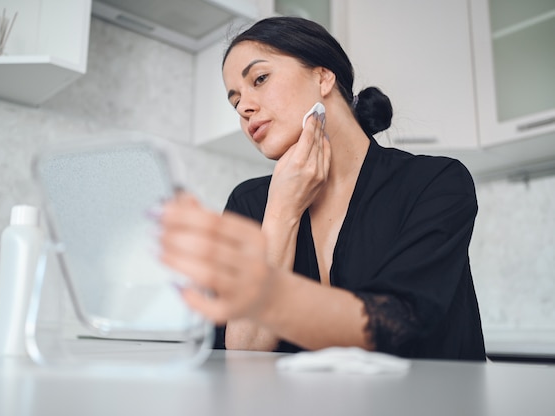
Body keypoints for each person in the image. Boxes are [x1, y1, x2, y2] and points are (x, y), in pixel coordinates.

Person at [158, 16, 486, 360]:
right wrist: (281, 212)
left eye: (260, 79)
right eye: (235, 100)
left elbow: (397, 326)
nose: (244, 107)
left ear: (323, 76)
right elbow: (242, 353)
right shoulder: (250, 202)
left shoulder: (435, 182)